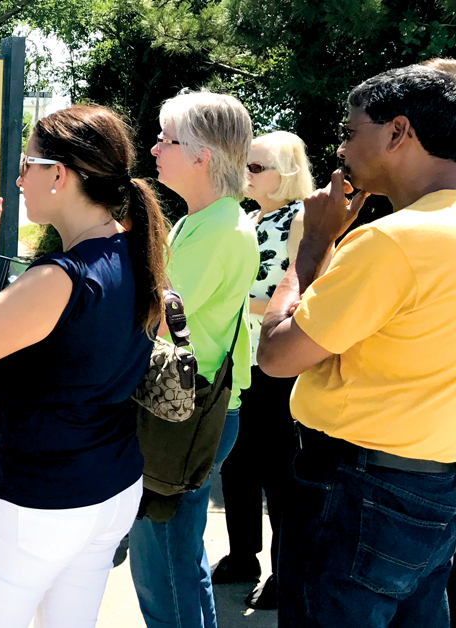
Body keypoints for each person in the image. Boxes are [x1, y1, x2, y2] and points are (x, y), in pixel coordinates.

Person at [0, 104, 169, 627]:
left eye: (27, 164)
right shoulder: (136, 250)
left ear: (58, 175)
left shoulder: (60, 277)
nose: (19, 180)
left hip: (40, 500)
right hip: (111, 486)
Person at [259, 65, 456, 628]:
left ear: (398, 132)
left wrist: (316, 241)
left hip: (354, 490)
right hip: (436, 484)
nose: (341, 147)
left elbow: (276, 354)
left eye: (350, 131)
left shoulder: (391, 241)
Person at [128, 91, 259, 628]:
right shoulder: (205, 220)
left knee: (166, 561)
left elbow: (157, 317)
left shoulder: (218, 230)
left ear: (202, 156)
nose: (155, 148)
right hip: (191, 404)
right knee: (172, 555)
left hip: (183, 410)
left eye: (167, 138)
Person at [212, 131, 314, 611]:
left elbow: (305, 293)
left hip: (277, 362)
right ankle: (242, 555)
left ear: (287, 174)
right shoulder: (250, 218)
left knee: (280, 473)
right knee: (237, 462)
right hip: (240, 359)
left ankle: (284, 571)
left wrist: (241, 302)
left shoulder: (301, 220)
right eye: (244, 166)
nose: (245, 174)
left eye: (255, 167)